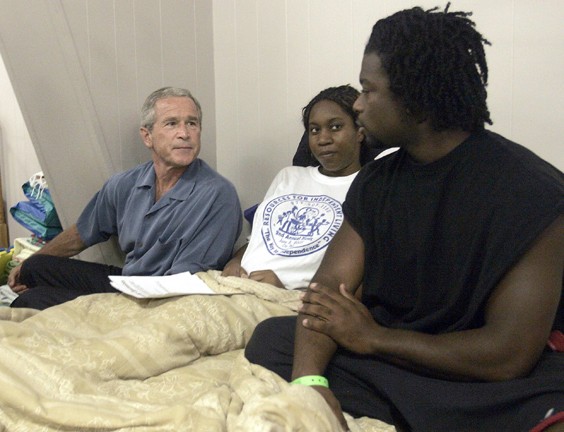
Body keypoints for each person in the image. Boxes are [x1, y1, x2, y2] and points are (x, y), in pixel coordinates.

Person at [245, 5, 563, 432]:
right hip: (395, 359)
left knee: (542, 394)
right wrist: (310, 382)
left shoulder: (533, 192)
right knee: (273, 340)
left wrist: (373, 338)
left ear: (416, 102)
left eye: (368, 90)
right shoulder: (377, 179)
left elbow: (508, 354)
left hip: (475, 369)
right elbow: (325, 292)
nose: (358, 105)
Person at [9, 86, 242, 310]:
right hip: (127, 281)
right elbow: (82, 233)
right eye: (172, 124)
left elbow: (187, 282)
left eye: (192, 123)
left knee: (29, 302)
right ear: (147, 136)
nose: (185, 134)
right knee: (35, 268)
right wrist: (27, 263)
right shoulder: (126, 183)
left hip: (160, 298)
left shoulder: (218, 195)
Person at [221, 85, 364, 289]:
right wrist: (235, 262)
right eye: (315, 130)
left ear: (360, 131)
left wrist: (284, 287)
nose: (323, 139)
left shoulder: (366, 186)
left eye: (335, 127)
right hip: (238, 284)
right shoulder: (288, 176)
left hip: (289, 298)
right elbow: (257, 240)